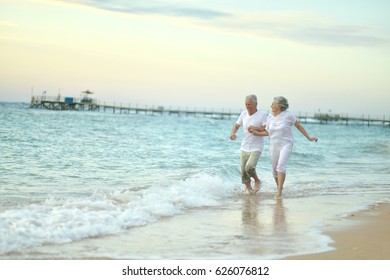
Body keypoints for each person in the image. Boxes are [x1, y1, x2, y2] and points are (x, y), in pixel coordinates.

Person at [250, 96, 318, 199]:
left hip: (286, 144)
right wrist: (255, 132)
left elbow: (299, 126)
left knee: (281, 166)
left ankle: (279, 191)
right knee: (274, 171)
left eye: (273, 104)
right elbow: (267, 132)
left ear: (279, 106)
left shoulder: (288, 115)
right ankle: (279, 188)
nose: (271, 105)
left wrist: (309, 138)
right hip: (274, 145)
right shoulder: (270, 117)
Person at [230, 95, 268, 194]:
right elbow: (236, 125)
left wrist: (255, 128)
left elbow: (266, 129)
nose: (247, 106)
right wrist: (233, 133)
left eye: (249, 104)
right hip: (244, 146)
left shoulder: (262, 114)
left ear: (256, 104)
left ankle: (257, 180)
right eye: (246, 104)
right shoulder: (243, 114)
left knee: (249, 167)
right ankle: (251, 192)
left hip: (256, 146)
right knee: (243, 173)